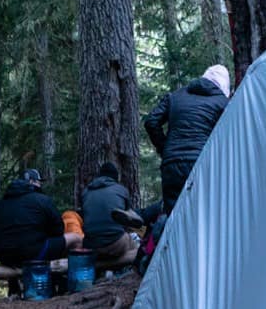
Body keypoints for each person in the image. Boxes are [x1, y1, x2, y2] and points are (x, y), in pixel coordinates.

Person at [143, 63, 231, 210]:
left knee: (174, 217)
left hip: (172, 165)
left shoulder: (175, 96)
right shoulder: (223, 103)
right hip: (203, 164)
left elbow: (151, 121)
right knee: (204, 213)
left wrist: (164, 149)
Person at [0, 167, 80, 273]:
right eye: (39, 181)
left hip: (5, 257)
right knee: (76, 238)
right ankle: (72, 280)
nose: (40, 185)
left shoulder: (0, 204)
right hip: (32, 254)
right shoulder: (42, 200)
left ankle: (13, 286)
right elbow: (58, 230)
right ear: (32, 182)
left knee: (18, 245)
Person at [79, 162, 140, 269]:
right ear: (115, 177)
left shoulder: (85, 192)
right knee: (132, 240)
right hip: (116, 244)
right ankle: (130, 272)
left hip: (91, 246)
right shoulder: (121, 190)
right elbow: (128, 219)